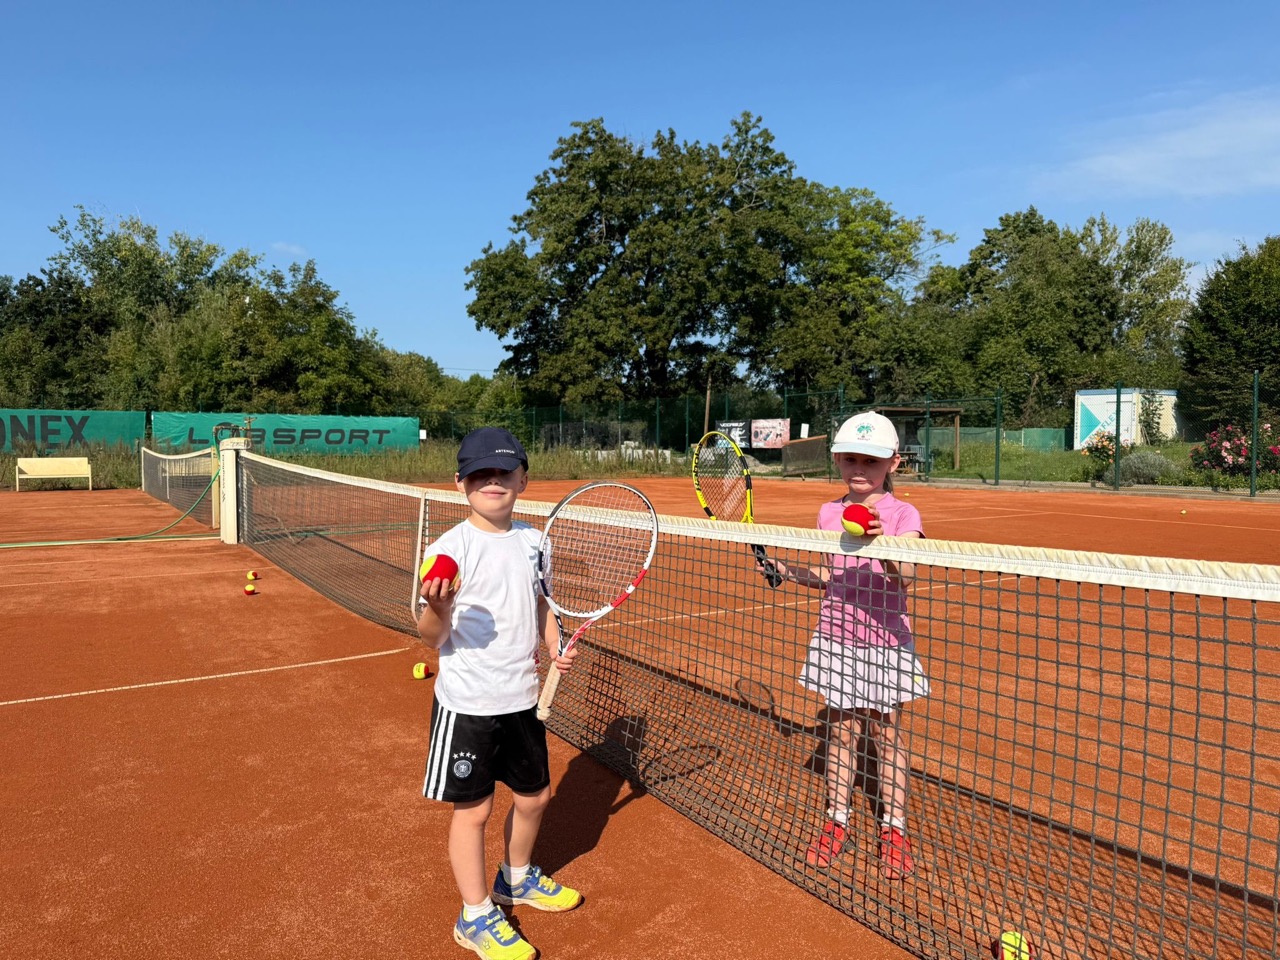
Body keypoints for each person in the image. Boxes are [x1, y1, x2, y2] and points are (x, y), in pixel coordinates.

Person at [417, 426, 581, 960]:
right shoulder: (447, 550)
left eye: (504, 472)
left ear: (523, 480)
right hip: (469, 705)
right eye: (480, 473)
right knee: (475, 811)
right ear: (460, 482)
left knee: (535, 797)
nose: (493, 481)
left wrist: (553, 644)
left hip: (523, 698)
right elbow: (431, 637)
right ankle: (474, 915)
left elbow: (542, 604)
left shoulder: (536, 542)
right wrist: (439, 608)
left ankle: (516, 878)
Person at [768, 411, 929, 880]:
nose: (860, 469)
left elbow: (907, 577)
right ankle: (837, 820)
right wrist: (787, 571)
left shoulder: (903, 515)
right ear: (837, 460)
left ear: (893, 463)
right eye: (851, 459)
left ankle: (894, 828)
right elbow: (829, 575)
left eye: (871, 461)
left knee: (885, 735)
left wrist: (883, 543)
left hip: (885, 643)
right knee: (840, 734)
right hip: (836, 638)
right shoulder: (827, 512)